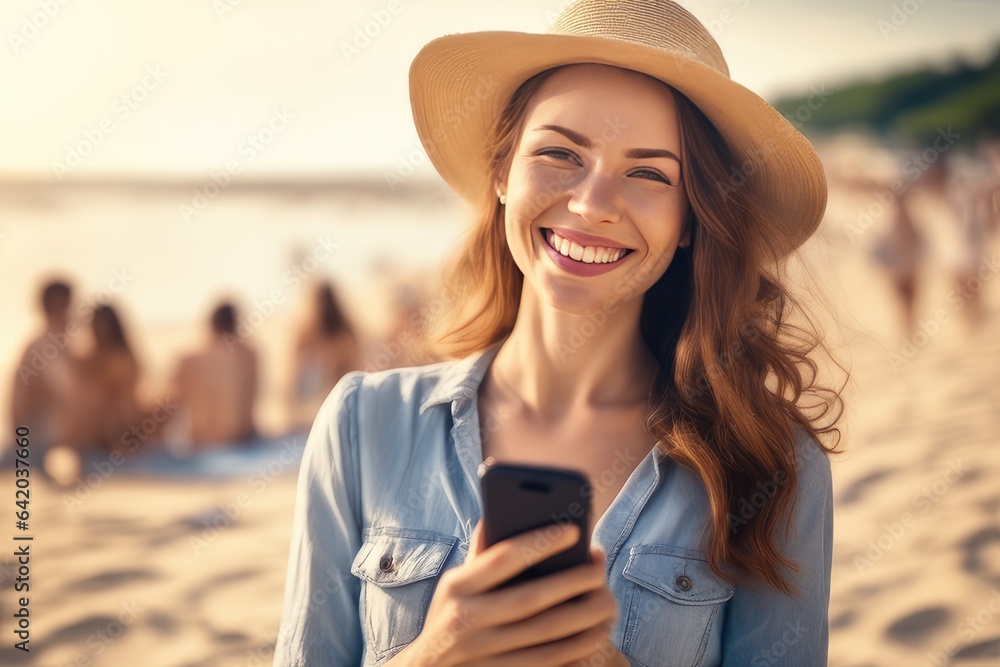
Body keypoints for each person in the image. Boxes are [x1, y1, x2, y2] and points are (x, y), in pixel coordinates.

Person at [274, 1, 845, 665]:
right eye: (560, 153)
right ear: (501, 172)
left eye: (648, 172)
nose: (592, 204)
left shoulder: (774, 464)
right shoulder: (361, 425)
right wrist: (435, 654)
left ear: (691, 217)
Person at [169, 302, 259, 449]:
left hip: (205, 445)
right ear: (237, 326)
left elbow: (170, 403)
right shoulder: (251, 355)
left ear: (209, 326)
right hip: (245, 442)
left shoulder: (189, 360)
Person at [9, 279, 84, 456]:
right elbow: (19, 404)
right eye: (71, 306)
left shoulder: (73, 349)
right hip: (43, 448)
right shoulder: (39, 350)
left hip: (68, 448)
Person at [288, 281, 362, 430]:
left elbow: (294, 377)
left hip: (324, 404)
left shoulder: (309, 332)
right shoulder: (347, 331)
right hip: (343, 401)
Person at [74, 304, 147, 453]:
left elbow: (121, 404)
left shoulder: (120, 360)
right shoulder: (90, 360)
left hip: (119, 430)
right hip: (103, 433)